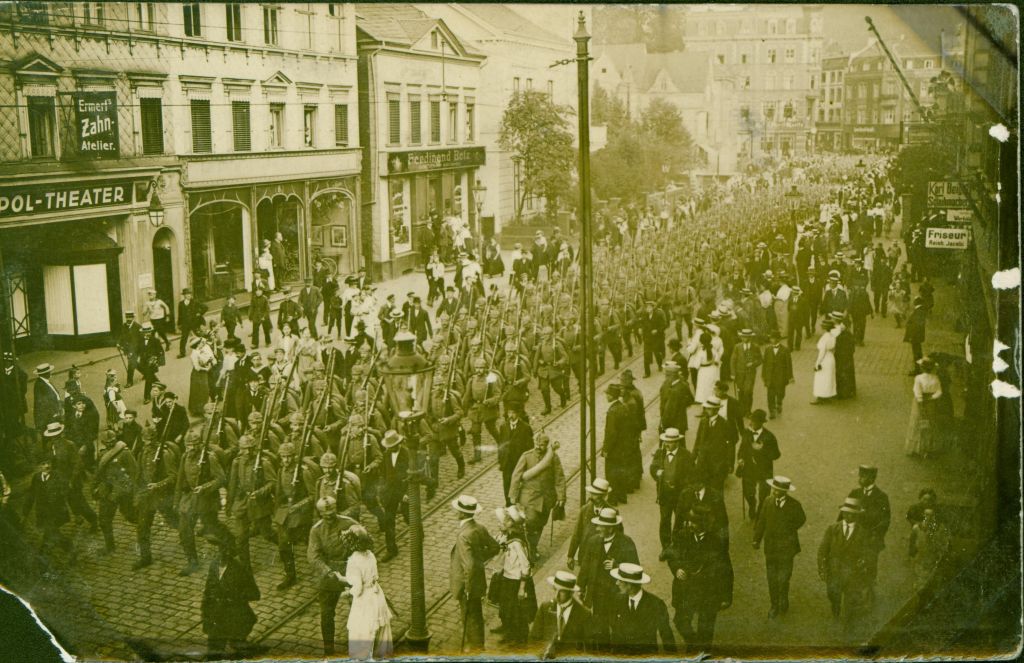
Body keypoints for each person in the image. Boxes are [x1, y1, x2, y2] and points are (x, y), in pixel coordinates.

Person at [668, 507, 733, 654]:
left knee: (706, 627)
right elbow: (672, 555)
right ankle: (694, 643)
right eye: (689, 521)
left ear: (704, 524)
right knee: (680, 621)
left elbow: (726, 570)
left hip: (708, 591)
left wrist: (726, 596)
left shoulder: (716, 542)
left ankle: (702, 653)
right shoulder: (683, 536)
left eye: (694, 522)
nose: (689, 525)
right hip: (685, 588)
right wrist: (677, 568)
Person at [577, 507, 638, 650]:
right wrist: (580, 587)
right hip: (597, 593)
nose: (597, 529)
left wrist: (617, 565)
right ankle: (603, 653)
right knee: (600, 626)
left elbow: (635, 566)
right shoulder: (593, 542)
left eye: (600, 526)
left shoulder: (626, 542)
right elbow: (585, 567)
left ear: (610, 529)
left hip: (619, 593)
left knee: (618, 626)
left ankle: (619, 653)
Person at [308, 496, 359, 657]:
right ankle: (328, 649)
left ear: (336, 509)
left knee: (357, 610)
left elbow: (365, 544)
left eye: (332, 513)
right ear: (320, 513)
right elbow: (313, 556)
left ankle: (357, 646)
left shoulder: (350, 523)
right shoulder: (316, 530)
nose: (329, 517)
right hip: (329, 575)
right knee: (326, 613)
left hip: (350, 571)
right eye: (325, 515)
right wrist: (328, 573)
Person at [449, 495, 500, 653]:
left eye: (457, 510)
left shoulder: (464, 535)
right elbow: (494, 547)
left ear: (462, 514)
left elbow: (469, 565)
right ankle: (478, 645)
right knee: (476, 615)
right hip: (478, 580)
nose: (455, 512)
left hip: (467, 584)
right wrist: (480, 560)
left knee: (469, 616)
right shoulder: (479, 527)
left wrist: (468, 587)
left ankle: (475, 648)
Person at [174, 430, 228, 576]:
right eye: (188, 445)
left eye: (193, 445)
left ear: (199, 445)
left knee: (213, 529)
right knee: (184, 530)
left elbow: (221, 478)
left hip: (206, 499)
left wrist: (204, 487)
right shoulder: (185, 456)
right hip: (190, 498)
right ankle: (192, 562)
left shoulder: (209, 458)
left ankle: (227, 550)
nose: (190, 448)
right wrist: (177, 501)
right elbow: (180, 480)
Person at [201, 530, 261, 659]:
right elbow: (208, 590)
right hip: (216, 616)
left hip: (235, 617)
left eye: (225, 550)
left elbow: (255, 593)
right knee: (213, 653)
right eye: (220, 549)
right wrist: (206, 611)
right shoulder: (214, 565)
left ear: (230, 552)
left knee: (239, 651)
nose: (222, 553)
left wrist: (234, 597)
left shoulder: (239, 569)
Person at [752, 476, 806, 619]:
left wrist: (788, 529)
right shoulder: (767, 502)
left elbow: (802, 519)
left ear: (785, 492)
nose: (775, 492)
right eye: (774, 489)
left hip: (787, 548)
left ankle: (784, 597)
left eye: (778, 490)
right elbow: (761, 521)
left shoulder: (794, 505)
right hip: (770, 548)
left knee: (783, 577)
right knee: (771, 578)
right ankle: (774, 605)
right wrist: (756, 540)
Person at [509, 432, 566, 559]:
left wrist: (561, 497)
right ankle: (528, 548)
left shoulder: (553, 458)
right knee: (531, 522)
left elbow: (559, 478)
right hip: (530, 498)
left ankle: (533, 547)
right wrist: (513, 495)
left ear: (546, 445)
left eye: (541, 445)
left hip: (546, 499)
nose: (538, 447)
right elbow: (516, 475)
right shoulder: (526, 456)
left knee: (540, 524)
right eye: (536, 444)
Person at [342, 524, 394, 659]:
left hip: (365, 600)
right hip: (377, 595)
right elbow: (375, 576)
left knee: (362, 631)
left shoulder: (353, 560)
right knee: (380, 630)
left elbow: (358, 588)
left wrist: (347, 592)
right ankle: (382, 657)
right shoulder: (370, 555)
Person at [817, 498, 871, 627]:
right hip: (834, 571)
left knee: (850, 599)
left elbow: (867, 552)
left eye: (852, 513)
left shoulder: (863, 533)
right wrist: (822, 569)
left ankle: (847, 624)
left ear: (857, 515)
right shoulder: (832, 529)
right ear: (842, 513)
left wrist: (863, 562)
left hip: (852, 573)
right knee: (833, 594)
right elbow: (822, 550)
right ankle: (835, 610)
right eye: (846, 512)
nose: (849, 516)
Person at [133, 425, 179, 570]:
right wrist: (138, 492)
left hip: (162, 496)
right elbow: (139, 474)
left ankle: (189, 548)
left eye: (151, 439)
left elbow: (174, 476)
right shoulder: (142, 453)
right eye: (146, 440)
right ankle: (145, 558)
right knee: (142, 528)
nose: (148, 443)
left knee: (175, 522)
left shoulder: (165, 454)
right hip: (147, 496)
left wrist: (158, 485)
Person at [492, 505, 537, 646]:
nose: (499, 524)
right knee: (506, 608)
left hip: (516, 581)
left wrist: (522, 588)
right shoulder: (507, 536)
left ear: (510, 523)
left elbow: (525, 565)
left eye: (501, 522)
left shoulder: (517, 542)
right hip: (506, 577)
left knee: (517, 612)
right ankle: (508, 630)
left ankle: (519, 638)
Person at [609, 563, 676, 655]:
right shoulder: (617, 600)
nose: (616, 583)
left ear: (630, 584)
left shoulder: (655, 604)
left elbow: (666, 635)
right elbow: (615, 631)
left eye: (620, 580)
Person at [848, 465, 891, 604]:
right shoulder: (854, 493)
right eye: (860, 476)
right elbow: (844, 513)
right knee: (853, 564)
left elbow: (885, 520)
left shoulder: (881, 497)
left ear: (872, 478)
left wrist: (874, 535)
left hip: (872, 540)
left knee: (870, 567)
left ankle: (869, 595)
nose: (860, 479)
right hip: (854, 538)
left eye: (864, 476)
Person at [92, 430, 139, 554]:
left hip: (122, 491)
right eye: (107, 442)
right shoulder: (102, 454)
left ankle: (144, 531)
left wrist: (121, 491)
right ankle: (110, 547)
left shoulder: (125, 453)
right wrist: (96, 487)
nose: (110, 443)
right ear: (102, 442)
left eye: (112, 441)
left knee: (130, 516)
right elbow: (99, 473)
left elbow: (134, 473)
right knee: (104, 520)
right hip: (107, 491)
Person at [649, 428, 693, 559]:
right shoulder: (660, 453)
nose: (667, 444)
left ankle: (677, 546)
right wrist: (657, 473)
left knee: (680, 520)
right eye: (666, 441)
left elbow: (691, 475)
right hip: (665, 494)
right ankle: (666, 548)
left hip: (680, 495)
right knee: (665, 521)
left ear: (677, 442)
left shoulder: (685, 455)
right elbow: (653, 467)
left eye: (670, 442)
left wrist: (682, 485)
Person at [530, 570, 592, 659]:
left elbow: (587, 648)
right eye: (555, 589)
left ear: (571, 592)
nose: (557, 595)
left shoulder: (584, 614)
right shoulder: (545, 608)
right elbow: (534, 637)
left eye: (562, 591)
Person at [736, 410, 780, 519]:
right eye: (751, 420)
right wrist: (740, 458)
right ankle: (752, 505)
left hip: (764, 470)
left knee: (764, 494)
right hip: (749, 469)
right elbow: (742, 449)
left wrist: (762, 450)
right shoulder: (747, 433)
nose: (750, 423)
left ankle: (761, 512)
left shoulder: (769, 437)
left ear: (761, 423)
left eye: (754, 421)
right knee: (748, 492)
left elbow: (776, 454)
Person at [566, 478, 611, 572]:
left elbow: (618, 537)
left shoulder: (612, 512)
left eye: (597, 495)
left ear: (603, 496)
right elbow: (577, 534)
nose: (592, 497)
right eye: (593, 493)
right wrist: (570, 555)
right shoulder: (585, 510)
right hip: (585, 554)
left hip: (603, 557)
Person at [377, 430, 408, 562]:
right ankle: (391, 549)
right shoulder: (386, 455)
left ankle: (418, 532)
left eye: (393, 446)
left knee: (409, 516)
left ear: (399, 443)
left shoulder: (407, 454)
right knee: (389, 521)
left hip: (404, 491)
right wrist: (383, 489)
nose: (391, 448)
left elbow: (411, 475)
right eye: (389, 447)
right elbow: (383, 474)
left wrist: (405, 494)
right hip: (391, 493)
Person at [692, 398, 733, 492]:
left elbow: (730, 444)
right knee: (702, 488)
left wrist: (730, 463)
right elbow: (698, 441)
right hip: (702, 462)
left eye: (709, 409)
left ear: (716, 410)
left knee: (716, 490)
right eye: (706, 408)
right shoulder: (703, 422)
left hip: (717, 463)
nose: (707, 410)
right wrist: (693, 457)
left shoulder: (724, 424)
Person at [905, 357, 943, 458]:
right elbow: (939, 392)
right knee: (931, 423)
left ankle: (916, 448)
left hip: (920, 403)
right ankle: (929, 448)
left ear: (922, 368)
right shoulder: (936, 378)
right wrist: (932, 397)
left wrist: (921, 402)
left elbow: (917, 392)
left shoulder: (918, 378)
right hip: (931, 403)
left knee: (918, 422)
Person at [601, 384, 632, 506]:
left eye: (607, 394)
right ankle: (622, 495)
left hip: (614, 448)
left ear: (611, 396)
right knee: (621, 471)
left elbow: (611, 433)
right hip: (623, 446)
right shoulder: (623, 407)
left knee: (611, 473)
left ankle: (612, 498)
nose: (606, 396)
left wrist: (606, 449)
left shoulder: (612, 411)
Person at [909, 505, 951, 590]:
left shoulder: (940, 529)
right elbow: (912, 543)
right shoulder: (917, 528)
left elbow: (944, 543)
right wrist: (913, 555)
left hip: (933, 558)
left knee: (932, 583)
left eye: (931, 515)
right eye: (926, 514)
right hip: (920, 558)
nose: (928, 517)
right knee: (919, 583)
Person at [498, 408, 534, 506]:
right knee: (506, 483)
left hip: (519, 462)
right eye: (509, 412)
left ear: (518, 414)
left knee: (518, 483)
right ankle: (508, 504)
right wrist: (501, 460)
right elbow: (500, 444)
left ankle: (518, 503)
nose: (511, 415)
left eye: (513, 412)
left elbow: (530, 447)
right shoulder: (503, 427)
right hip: (507, 462)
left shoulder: (525, 427)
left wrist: (528, 463)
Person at [761, 330, 794, 418]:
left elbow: (788, 364)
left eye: (774, 338)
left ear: (779, 339)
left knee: (780, 393)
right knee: (770, 394)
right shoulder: (768, 349)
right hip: (770, 376)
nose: (772, 340)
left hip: (781, 376)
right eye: (771, 338)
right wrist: (763, 375)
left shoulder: (785, 350)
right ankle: (772, 411)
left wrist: (790, 376)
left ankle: (779, 402)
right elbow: (765, 363)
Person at [730, 329, 762, 414]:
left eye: (747, 337)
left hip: (750, 373)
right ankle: (742, 410)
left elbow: (760, 359)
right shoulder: (737, 347)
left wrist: (753, 364)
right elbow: (733, 360)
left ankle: (748, 410)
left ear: (750, 337)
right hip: (739, 373)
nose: (744, 338)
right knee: (741, 392)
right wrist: (733, 373)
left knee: (748, 392)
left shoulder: (755, 347)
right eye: (743, 337)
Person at [639, 300, 668, 378]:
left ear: (653, 307)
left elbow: (664, 325)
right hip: (647, 338)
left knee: (657, 353)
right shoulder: (644, 314)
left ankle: (659, 364)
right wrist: (640, 329)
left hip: (657, 338)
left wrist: (657, 330)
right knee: (646, 355)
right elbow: (642, 323)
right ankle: (647, 372)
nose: (648, 308)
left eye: (649, 307)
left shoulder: (658, 314)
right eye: (646, 307)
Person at [188, 336, 216, 416]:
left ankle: (200, 409)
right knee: (200, 392)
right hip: (198, 374)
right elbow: (197, 367)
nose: (202, 344)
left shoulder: (198, 351)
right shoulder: (194, 354)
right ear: (197, 344)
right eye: (200, 343)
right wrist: (206, 369)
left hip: (202, 374)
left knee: (203, 392)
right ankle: (198, 410)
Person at [811, 319, 837, 404]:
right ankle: (828, 394)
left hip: (825, 359)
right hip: (831, 358)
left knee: (821, 378)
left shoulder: (825, 337)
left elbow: (822, 352)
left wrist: (817, 363)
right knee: (829, 377)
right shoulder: (832, 336)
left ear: (825, 328)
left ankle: (820, 396)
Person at [177, 288, 207, 358]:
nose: (189, 295)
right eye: (187, 294)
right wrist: (179, 324)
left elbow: (205, 307)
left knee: (200, 336)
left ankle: (206, 348)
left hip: (194, 323)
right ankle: (182, 353)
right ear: (184, 295)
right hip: (185, 324)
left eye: (190, 294)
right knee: (183, 338)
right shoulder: (181, 304)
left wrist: (199, 313)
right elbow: (180, 315)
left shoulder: (195, 302)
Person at [32, 363, 63, 431]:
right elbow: (42, 403)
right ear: (44, 374)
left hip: (54, 412)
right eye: (49, 372)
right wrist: (54, 413)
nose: (50, 373)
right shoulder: (40, 385)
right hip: (49, 416)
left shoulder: (45, 381)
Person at [139, 324, 166, 400]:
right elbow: (138, 350)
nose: (147, 333)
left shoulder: (155, 340)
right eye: (145, 332)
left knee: (148, 378)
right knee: (151, 377)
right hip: (144, 362)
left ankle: (146, 396)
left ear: (151, 332)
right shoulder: (140, 340)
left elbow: (160, 351)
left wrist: (157, 360)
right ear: (143, 333)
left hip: (152, 363)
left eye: (148, 332)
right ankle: (160, 386)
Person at [904, 296, 928, 375]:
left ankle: (917, 370)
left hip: (915, 337)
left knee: (916, 353)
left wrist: (911, 336)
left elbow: (916, 325)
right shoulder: (920, 310)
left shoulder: (919, 311)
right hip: (917, 337)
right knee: (918, 353)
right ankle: (918, 368)